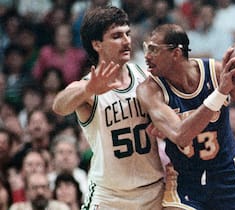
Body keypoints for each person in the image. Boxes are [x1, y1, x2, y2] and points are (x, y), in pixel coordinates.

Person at [136, 23, 235, 209]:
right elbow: (181, 135)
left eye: (154, 50)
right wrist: (220, 93)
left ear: (176, 53)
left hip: (228, 173)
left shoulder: (216, 73)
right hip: (185, 179)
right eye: (146, 48)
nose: (147, 56)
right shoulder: (149, 90)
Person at [52, 6, 165, 210]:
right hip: (109, 197)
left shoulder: (146, 77)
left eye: (127, 33)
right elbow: (59, 105)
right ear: (97, 44)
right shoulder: (88, 86)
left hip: (152, 191)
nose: (126, 41)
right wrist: (87, 89)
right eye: (116, 36)